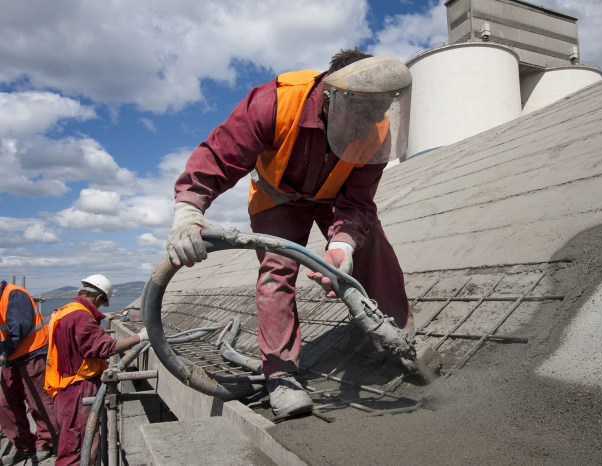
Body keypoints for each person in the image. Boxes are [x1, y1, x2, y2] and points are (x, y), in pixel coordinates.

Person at [166, 48, 415, 419]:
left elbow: (358, 203)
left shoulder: (376, 125)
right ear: (331, 97)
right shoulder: (276, 102)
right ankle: (280, 374)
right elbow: (220, 156)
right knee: (276, 269)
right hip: (276, 197)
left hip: (333, 195)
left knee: (372, 243)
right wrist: (189, 210)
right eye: (363, 113)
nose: (372, 122)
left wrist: (342, 246)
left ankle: (398, 339)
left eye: (378, 112)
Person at [44, 274, 148, 466]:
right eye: (102, 303)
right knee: (79, 447)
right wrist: (139, 338)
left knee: (73, 442)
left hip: (62, 387)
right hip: (77, 388)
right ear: (99, 297)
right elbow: (105, 347)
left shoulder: (64, 311)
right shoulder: (81, 316)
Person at [0, 280, 58, 465]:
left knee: (38, 402)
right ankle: (24, 446)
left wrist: (4, 352)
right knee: (4, 403)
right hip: (11, 358)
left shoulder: (14, 294)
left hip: (31, 354)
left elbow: (19, 328)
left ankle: (47, 443)